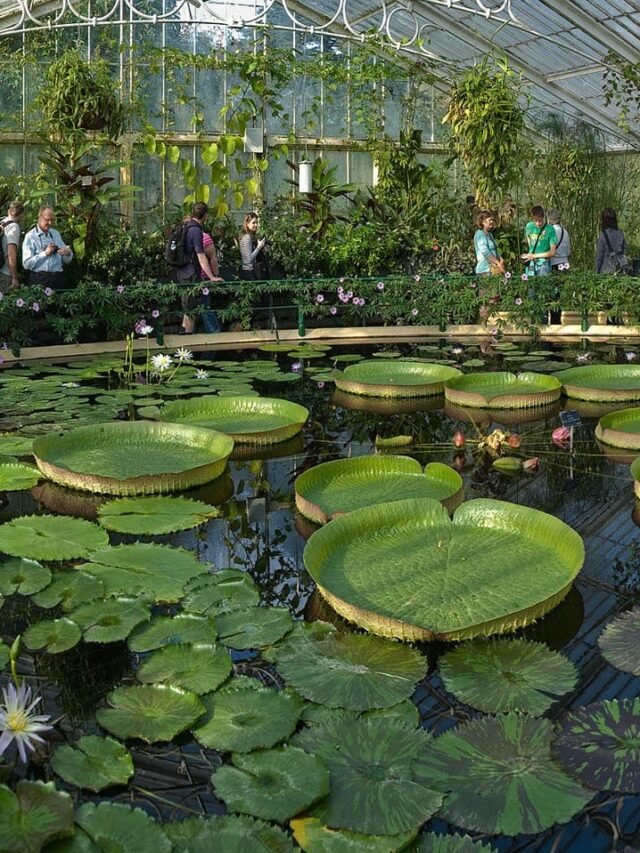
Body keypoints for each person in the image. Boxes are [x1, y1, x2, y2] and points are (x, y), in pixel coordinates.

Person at [175, 201, 223, 335]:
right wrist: (212, 276)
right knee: (192, 308)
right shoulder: (196, 231)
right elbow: (201, 256)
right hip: (191, 273)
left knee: (187, 307)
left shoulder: (186, 227)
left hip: (181, 272)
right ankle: (187, 346)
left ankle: (184, 341)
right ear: (205, 216)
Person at [22, 205, 73, 289]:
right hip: (40, 279)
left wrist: (68, 253)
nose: (50, 223)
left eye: (52, 220)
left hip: (58, 278)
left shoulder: (56, 234)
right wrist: (45, 253)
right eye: (47, 219)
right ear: (40, 217)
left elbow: (66, 261)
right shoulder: (31, 236)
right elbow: (26, 264)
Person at [521, 205, 557, 277]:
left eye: (540, 220)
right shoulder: (529, 227)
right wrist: (529, 255)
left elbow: (552, 252)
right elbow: (530, 244)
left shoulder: (550, 229)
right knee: (531, 286)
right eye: (535, 220)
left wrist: (534, 256)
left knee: (544, 286)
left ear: (544, 218)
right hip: (531, 262)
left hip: (543, 263)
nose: (538, 223)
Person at [0, 200, 25, 290]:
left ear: (9, 211)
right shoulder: (14, 227)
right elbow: (11, 253)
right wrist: (14, 278)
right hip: (6, 273)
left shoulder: (2, 223)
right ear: (21, 214)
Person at [596, 207, 628, 274]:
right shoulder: (620, 233)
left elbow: (599, 256)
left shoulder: (603, 235)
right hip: (620, 269)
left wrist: (597, 271)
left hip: (606, 270)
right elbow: (625, 251)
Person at [474, 210, 504, 275]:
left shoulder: (489, 234)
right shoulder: (480, 234)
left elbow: (494, 250)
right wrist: (498, 263)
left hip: (493, 268)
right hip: (484, 269)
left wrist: (500, 259)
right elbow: (485, 252)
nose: (492, 222)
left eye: (492, 220)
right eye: (490, 220)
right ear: (483, 222)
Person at [238, 212, 267, 281]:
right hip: (249, 272)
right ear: (247, 224)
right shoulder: (247, 237)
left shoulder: (249, 236)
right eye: (253, 223)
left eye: (257, 223)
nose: (256, 225)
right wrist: (259, 247)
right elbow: (248, 259)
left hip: (250, 270)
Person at [547, 209, 571, 273]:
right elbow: (568, 252)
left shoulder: (550, 232)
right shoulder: (565, 232)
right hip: (566, 263)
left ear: (549, 220)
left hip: (554, 263)